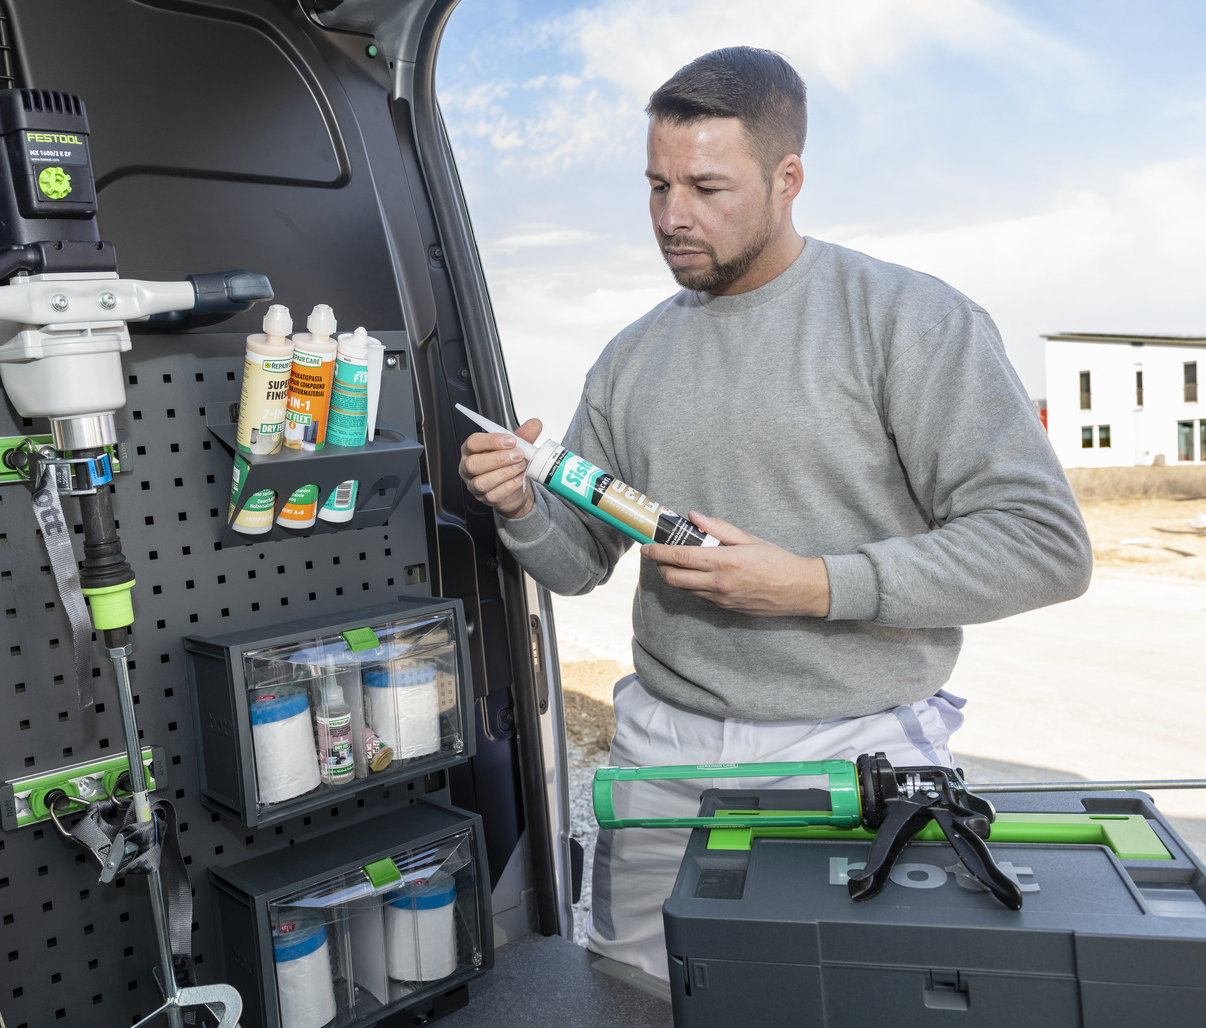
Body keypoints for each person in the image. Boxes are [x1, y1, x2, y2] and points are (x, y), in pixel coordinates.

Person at [457, 47, 1092, 982]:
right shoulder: (632, 358)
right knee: (637, 990)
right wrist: (519, 508)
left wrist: (812, 585)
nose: (673, 217)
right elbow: (581, 561)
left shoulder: (909, 320)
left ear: (788, 178)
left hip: (852, 748)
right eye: (657, 185)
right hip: (663, 752)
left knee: (844, 999)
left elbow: (1046, 546)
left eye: (708, 187)